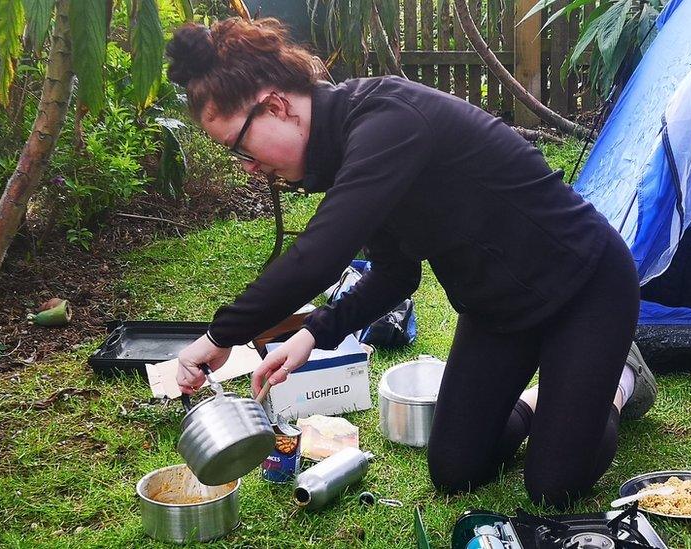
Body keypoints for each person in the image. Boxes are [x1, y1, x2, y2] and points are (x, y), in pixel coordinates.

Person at [169, 17, 657, 509]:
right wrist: (312, 333)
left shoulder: (389, 120)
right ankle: (544, 402)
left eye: (240, 148)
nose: (249, 169)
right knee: (457, 469)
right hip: (500, 311)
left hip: (584, 286)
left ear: (274, 105)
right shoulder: (349, 150)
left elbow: (319, 255)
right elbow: (396, 272)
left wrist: (220, 335)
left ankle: (619, 379)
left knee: (554, 486)